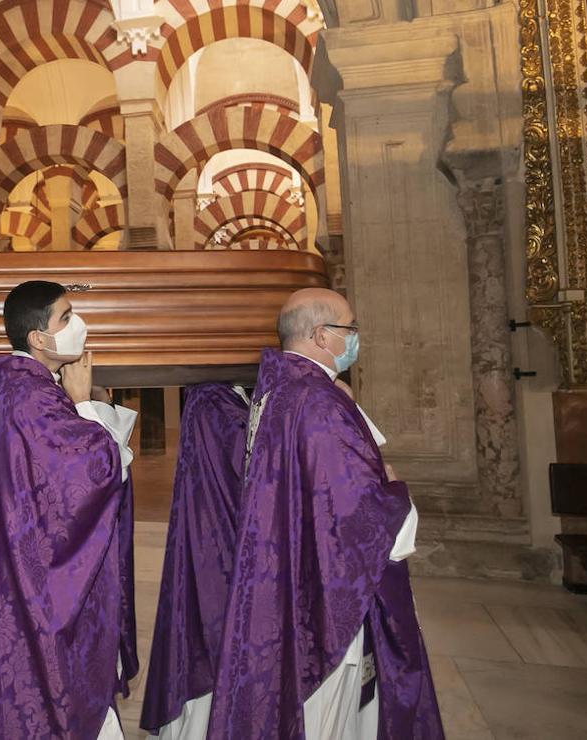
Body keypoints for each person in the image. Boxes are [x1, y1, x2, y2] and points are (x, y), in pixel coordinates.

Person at [208, 288, 443, 740]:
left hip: (290, 572)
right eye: (349, 328)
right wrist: (393, 490)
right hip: (323, 587)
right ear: (320, 335)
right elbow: (357, 512)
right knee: (324, 717)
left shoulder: (278, 389)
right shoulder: (316, 401)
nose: (355, 337)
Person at [0, 280, 139, 739]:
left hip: (14, 571)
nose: (79, 325)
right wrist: (86, 403)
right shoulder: (33, 398)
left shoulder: (14, 391)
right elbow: (91, 475)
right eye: (66, 317)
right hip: (36, 591)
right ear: (38, 338)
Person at [141, 382, 250, 739]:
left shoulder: (226, 397)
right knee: (213, 659)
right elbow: (253, 459)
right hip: (216, 555)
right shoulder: (212, 401)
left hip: (223, 547)